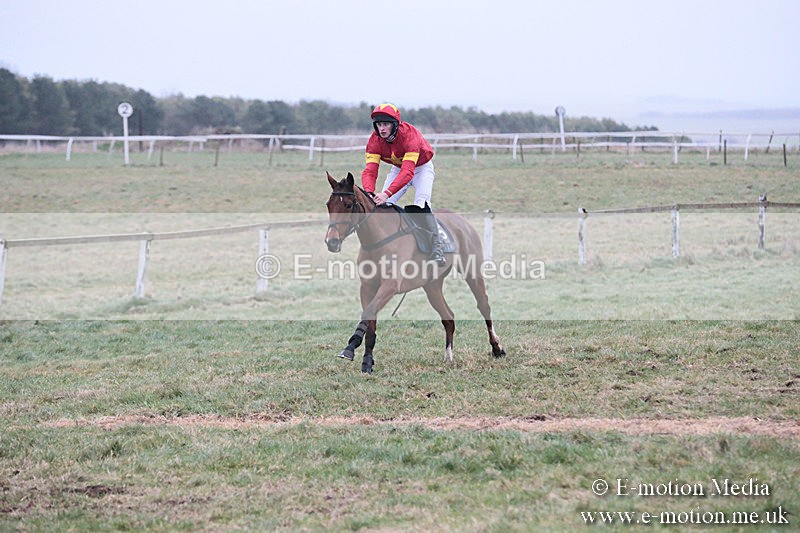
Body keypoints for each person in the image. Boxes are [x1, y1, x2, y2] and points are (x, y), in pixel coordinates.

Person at [361, 103, 446, 266]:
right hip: (398, 167)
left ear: (395, 125)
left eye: (385, 124)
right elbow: (370, 171)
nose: (382, 129)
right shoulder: (374, 141)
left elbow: (408, 173)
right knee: (384, 206)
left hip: (421, 168)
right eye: (379, 125)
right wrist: (369, 192)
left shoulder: (410, 135)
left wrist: (386, 193)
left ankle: (437, 246)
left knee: (421, 204)